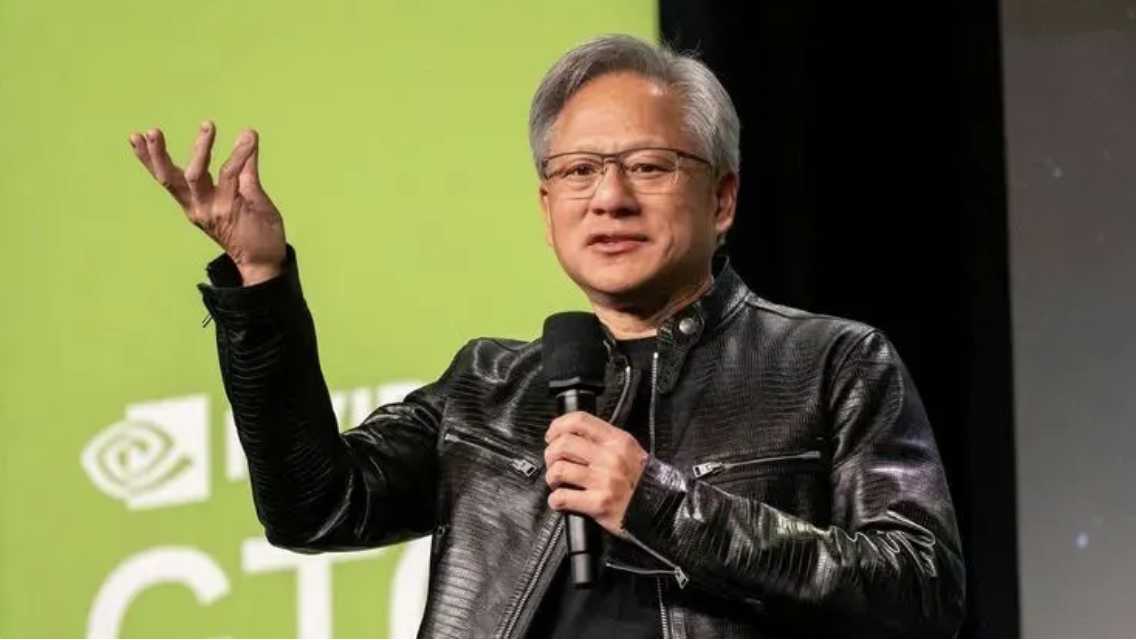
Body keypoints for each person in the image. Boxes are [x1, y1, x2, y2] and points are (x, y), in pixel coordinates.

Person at [129, 34, 965, 638]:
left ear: (722, 199)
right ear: (547, 206)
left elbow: (921, 591)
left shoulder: (829, 363)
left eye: (648, 166)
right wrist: (261, 282)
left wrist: (662, 505)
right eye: (579, 171)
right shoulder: (490, 386)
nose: (609, 198)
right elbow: (316, 507)